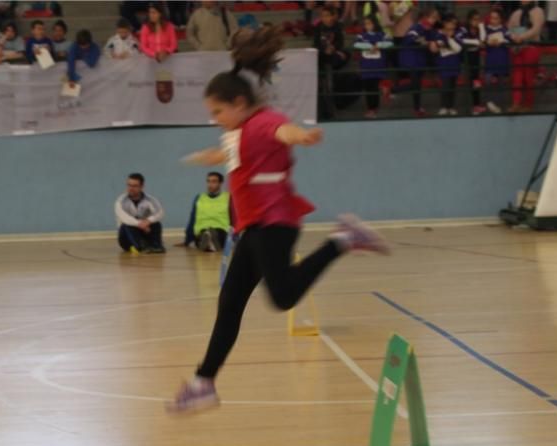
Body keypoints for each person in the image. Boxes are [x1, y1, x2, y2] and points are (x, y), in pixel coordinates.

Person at [168, 27, 389, 414]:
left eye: (218, 111)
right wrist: (210, 157)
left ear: (238, 103)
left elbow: (280, 131)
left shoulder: (264, 121)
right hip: (253, 226)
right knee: (230, 303)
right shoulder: (236, 132)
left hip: (275, 221)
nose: (215, 119)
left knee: (282, 297)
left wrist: (300, 136)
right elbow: (233, 153)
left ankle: (343, 239)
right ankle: (204, 383)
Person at [506, 0, 545, 113]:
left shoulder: (538, 11)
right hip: (517, 48)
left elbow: (536, 29)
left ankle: (528, 104)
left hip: (531, 47)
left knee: (528, 76)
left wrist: (521, 37)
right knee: (517, 76)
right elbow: (509, 28)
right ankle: (516, 103)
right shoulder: (516, 13)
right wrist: (514, 37)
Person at [398, 7, 438, 118]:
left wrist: (435, 43)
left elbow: (435, 39)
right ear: (425, 17)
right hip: (412, 60)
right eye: (433, 17)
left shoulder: (429, 29)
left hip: (420, 61)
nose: (435, 20)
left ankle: (392, 90)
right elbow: (413, 38)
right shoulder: (416, 27)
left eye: (436, 18)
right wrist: (428, 43)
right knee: (416, 85)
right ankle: (417, 108)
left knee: (416, 85)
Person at [181, 172, 234, 251]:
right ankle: (209, 241)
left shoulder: (228, 197)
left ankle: (210, 241)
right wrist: (187, 240)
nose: (210, 184)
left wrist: (235, 238)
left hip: (221, 230)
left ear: (220, 183)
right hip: (202, 229)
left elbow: (234, 218)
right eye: (208, 181)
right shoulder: (199, 198)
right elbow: (192, 218)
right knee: (203, 233)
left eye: (214, 181)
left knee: (217, 233)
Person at [115, 173, 166, 254]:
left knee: (156, 223)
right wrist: (140, 224)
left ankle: (156, 245)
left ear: (141, 187)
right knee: (126, 225)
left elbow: (160, 212)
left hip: (145, 231)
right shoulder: (121, 201)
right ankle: (141, 246)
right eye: (129, 185)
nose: (131, 188)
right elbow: (124, 217)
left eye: (134, 186)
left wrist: (148, 221)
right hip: (127, 237)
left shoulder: (150, 200)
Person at [314, 5, 349, 120]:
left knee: (330, 86)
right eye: (324, 16)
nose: (326, 18)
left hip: (332, 61)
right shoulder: (318, 28)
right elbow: (315, 44)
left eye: (328, 16)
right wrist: (324, 50)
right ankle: (325, 112)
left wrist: (334, 49)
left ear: (333, 16)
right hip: (321, 60)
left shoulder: (337, 27)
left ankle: (331, 112)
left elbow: (340, 43)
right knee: (324, 87)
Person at [354, 15, 391, 119]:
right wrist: (370, 46)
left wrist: (378, 45)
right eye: (365, 24)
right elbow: (356, 44)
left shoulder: (382, 34)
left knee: (374, 87)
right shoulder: (361, 35)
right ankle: (371, 108)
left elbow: (389, 43)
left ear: (374, 24)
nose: (367, 25)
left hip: (378, 65)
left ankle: (374, 108)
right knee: (368, 88)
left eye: (369, 23)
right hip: (366, 67)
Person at [481, 8, 510, 114]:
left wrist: (501, 41)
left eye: (496, 18)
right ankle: (489, 102)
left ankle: (498, 105)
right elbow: (482, 40)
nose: (493, 20)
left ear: (500, 19)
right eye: (491, 18)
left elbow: (509, 39)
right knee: (488, 81)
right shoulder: (486, 29)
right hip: (490, 60)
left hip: (502, 60)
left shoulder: (504, 29)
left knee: (501, 84)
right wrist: (489, 42)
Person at [434, 14, 462, 116]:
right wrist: (447, 40)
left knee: (452, 87)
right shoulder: (439, 34)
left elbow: (458, 49)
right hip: (444, 64)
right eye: (449, 23)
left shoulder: (458, 34)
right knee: (445, 86)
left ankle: (451, 107)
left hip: (454, 64)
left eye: (453, 23)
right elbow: (440, 44)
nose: (452, 25)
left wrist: (449, 39)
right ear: (445, 24)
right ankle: (443, 107)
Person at [458, 10, 484, 115]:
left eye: (478, 19)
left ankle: (476, 106)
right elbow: (461, 40)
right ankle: (469, 107)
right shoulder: (463, 29)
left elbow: (483, 40)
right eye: (474, 19)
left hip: (476, 57)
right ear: (469, 20)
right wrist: (476, 42)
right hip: (466, 58)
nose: (476, 21)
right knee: (469, 81)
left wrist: (481, 27)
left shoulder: (479, 29)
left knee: (476, 82)